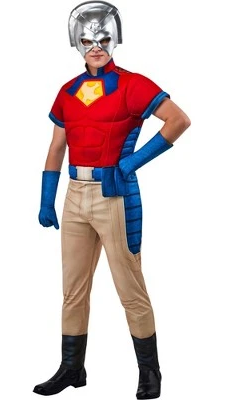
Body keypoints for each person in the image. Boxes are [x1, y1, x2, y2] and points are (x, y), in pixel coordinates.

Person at [33, 1, 191, 399]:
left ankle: (150, 372)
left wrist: (133, 162)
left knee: (129, 287)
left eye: (103, 39)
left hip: (114, 195)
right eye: (88, 41)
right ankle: (72, 368)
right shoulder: (67, 91)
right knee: (72, 290)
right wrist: (47, 198)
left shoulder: (133, 84)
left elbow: (178, 120)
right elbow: (56, 147)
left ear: (114, 40)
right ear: (77, 43)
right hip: (75, 196)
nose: (96, 47)